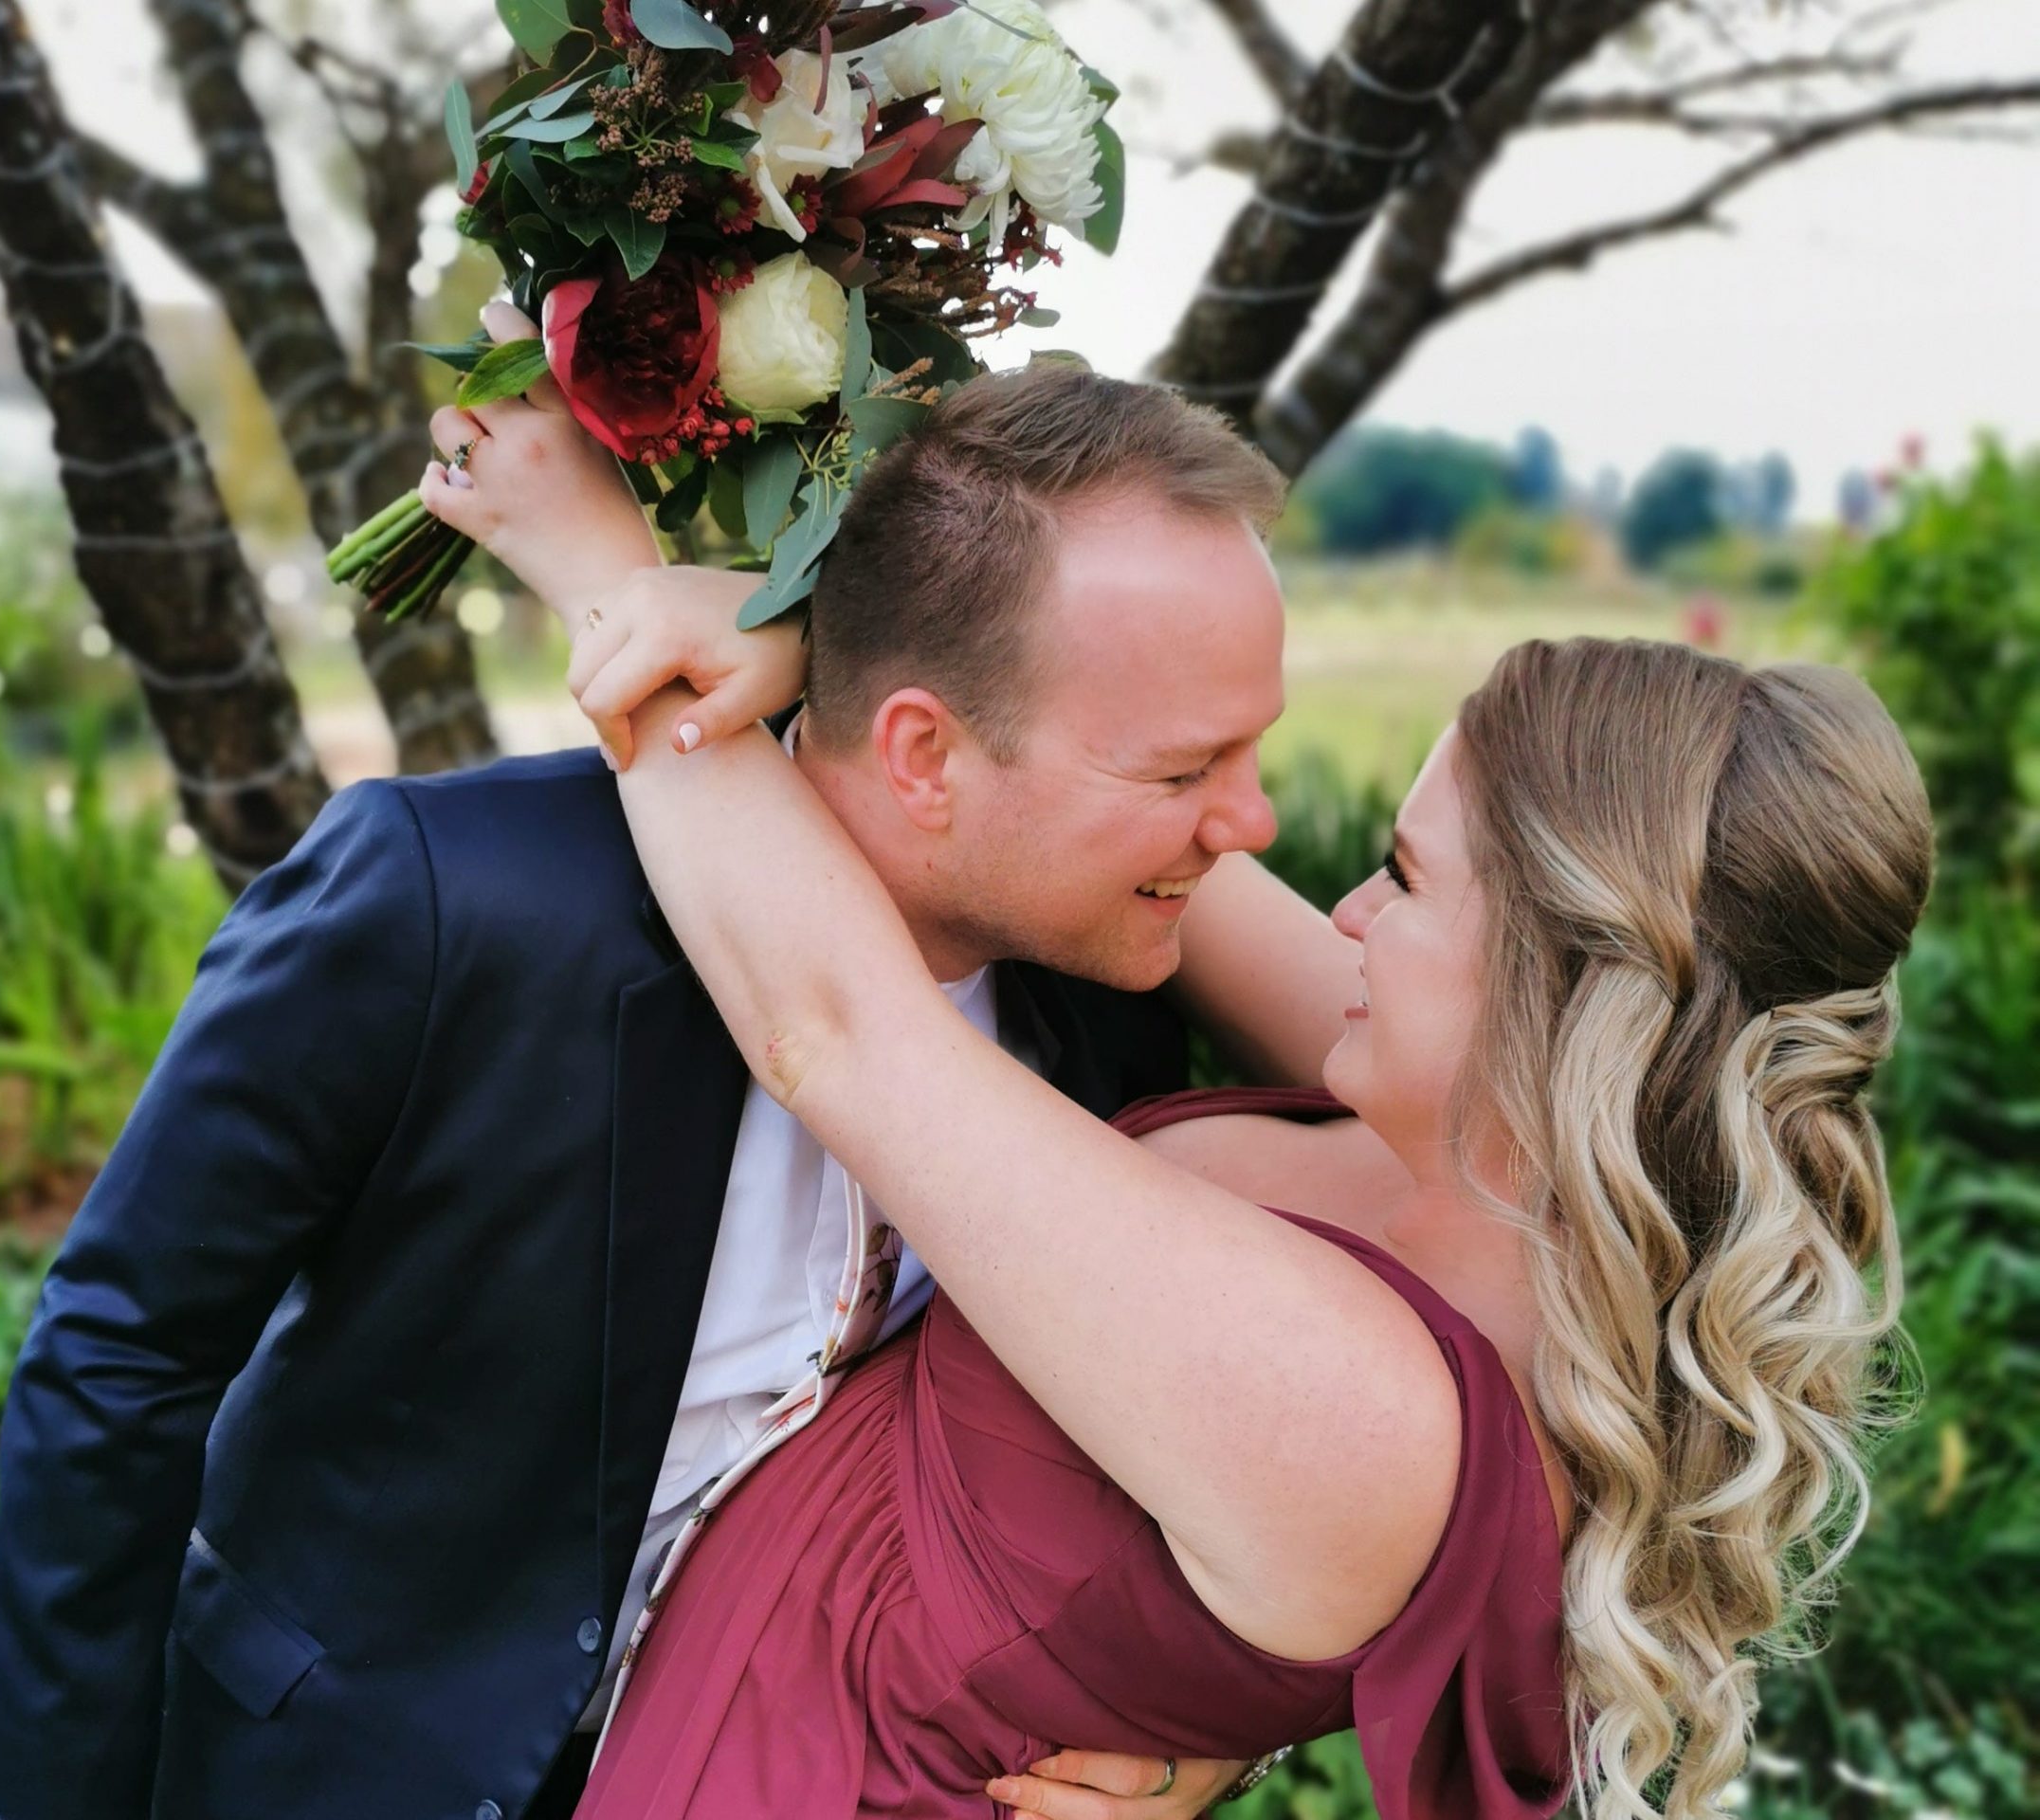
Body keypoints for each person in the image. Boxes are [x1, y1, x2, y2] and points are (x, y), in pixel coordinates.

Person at [425, 352, 1933, 1819]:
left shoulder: (1362, 1417)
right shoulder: (1487, 1171)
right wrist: (838, 635)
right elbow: (1098, 797)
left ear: (1554, 1004)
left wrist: (605, 577)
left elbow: (840, 1032)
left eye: (1405, 879)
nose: (1334, 905)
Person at [0, 341, 1358, 1818]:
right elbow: (122, 1346)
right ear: (926, 755)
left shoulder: (1105, 998)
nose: (1251, 822)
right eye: (1180, 771)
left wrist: (1199, 1744)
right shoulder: (447, 902)